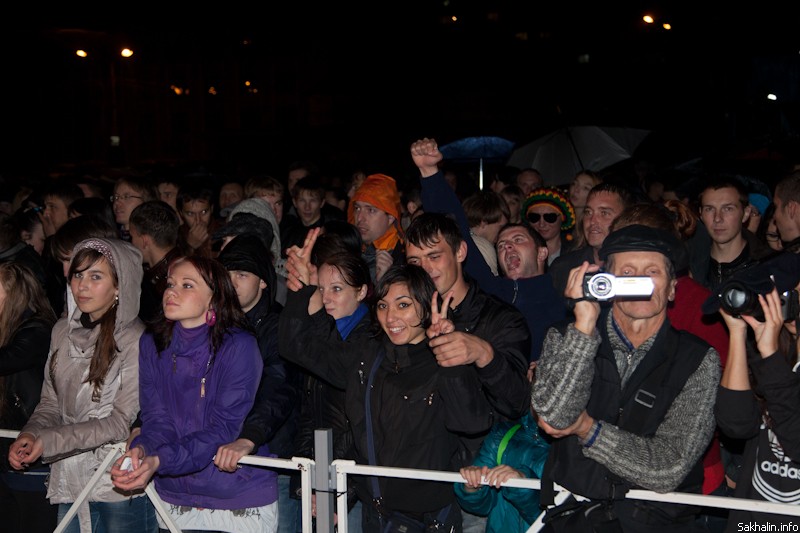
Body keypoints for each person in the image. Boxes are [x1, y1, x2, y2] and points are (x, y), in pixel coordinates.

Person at [279, 231, 493, 533]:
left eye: (403, 305)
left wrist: (448, 357)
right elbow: (298, 348)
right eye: (383, 305)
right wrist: (302, 290)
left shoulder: (444, 358)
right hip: (377, 515)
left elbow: (471, 423)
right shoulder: (368, 356)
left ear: (425, 305)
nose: (391, 317)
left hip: (431, 519)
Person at [532, 224, 721, 531]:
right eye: (628, 273)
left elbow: (669, 468)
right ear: (606, 282)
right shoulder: (567, 336)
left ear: (672, 288)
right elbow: (554, 417)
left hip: (656, 523)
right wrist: (584, 326)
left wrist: (588, 429)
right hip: (574, 517)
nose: (640, 282)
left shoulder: (698, 358)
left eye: (652, 273)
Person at [111, 255, 278, 533]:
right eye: (170, 284)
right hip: (176, 494)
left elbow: (223, 428)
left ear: (214, 298)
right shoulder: (152, 343)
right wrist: (142, 450)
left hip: (235, 493)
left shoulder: (239, 346)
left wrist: (159, 460)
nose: (172, 292)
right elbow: (156, 418)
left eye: (187, 285)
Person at [8, 237, 156, 533]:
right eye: (78, 275)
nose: (82, 285)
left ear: (119, 285)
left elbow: (119, 422)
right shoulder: (61, 331)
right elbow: (50, 403)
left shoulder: (136, 339)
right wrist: (30, 434)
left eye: (95, 277)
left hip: (117, 482)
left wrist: (49, 441)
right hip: (69, 478)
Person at [411, 137, 564, 362]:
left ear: (542, 252)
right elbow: (455, 229)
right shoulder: (492, 292)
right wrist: (430, 173)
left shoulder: (564, 301)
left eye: (518, 239)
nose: (507, 246)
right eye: (501, 245)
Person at [216, 234, 302, 533]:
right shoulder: (210, 324)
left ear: (264, 281)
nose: (231, 282)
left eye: (242, 274)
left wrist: (250, 436)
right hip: (222, 455)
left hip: (274, 458)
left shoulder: (279, 326)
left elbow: (280, 386)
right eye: (226, 274)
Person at [288, 245, 372, 532]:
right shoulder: (324, 332)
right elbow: (310, 414)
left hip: (356, 486)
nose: (325, 298)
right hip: (323, 480)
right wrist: (305, 480)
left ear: (361, 291)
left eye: (336, 289)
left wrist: (339, 493)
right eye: (321, 288)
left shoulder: (371, 340)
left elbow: (362, 428)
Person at [713, 255, 800, 530]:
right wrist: (738, 333)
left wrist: (770, 356)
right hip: (752, 521)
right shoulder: (775, 358)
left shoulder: (773, 360)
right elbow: (735, 424)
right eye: (789, 296)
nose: (792, 304)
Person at [0, 262, 58, 533]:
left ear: (14, 294)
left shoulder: (37, 329)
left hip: (31, 441)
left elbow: (10, 359)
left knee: (31, 520)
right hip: (11, 443)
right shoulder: (8, 327)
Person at [455, 369, 549, 533]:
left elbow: (559, 520)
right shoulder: (504, 434)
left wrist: (522, 484)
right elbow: (481, 507)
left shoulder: (577, 447)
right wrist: (472, 487)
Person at [549, 182, 634, 301]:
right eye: (588, 212)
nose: (592, 221)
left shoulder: (638, 269)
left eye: (604, 213)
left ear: (625, 219)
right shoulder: (563, 267)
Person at [690, 178, 771, 292]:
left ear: (746, 213)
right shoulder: (689, 266)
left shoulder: (767, 266)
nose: (717, 218)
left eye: (728, 209)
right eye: (709, 209)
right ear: (701, 214)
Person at [127, 200, 184, 323]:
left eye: (132, 237)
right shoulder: (187, 268)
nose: (131, 243)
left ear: (144, 241)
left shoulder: (166, 285)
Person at [347, 173, 406, 284]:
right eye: (357, 208)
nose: (359, 218)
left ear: (390, 217)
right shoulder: (349, 248)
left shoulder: (405, 259)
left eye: (371, 210)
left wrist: (386, 282)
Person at [520, 187, 576, 265]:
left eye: (550, 217)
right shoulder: (521, 251)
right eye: (534, 217)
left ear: (562, 218)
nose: (541, 224)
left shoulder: (575, 250)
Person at [111, 176, 158, 242]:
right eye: (116, 197)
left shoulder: (155, 240)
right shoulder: (110, 237)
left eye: (126, 197)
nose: (117, 202)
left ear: (146, 201)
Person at [567, 170, 603, 247]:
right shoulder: (562, 221)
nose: (576, 190)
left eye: (586, 188)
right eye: (574, 184)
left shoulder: (593, 224)